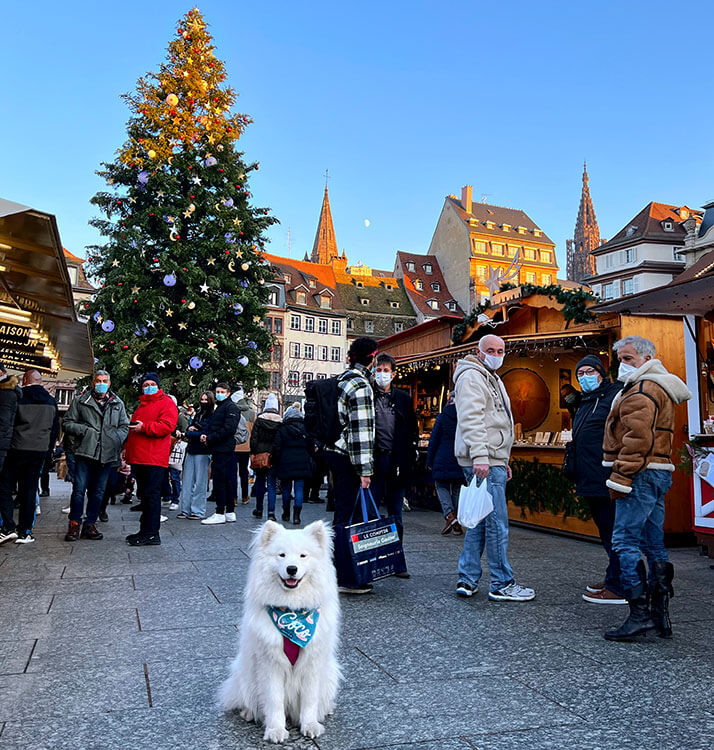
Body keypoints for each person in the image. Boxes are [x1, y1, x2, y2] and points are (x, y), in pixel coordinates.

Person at [602, 336, 691, 641]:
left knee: (624, 542)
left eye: (628, 358)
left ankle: (639, 614)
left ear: (647, 357)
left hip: (638, 473)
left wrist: (621, 477)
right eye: (621, 358)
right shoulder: (661, 386)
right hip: (657, 471)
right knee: (654, 544)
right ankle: (660, 616)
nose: (622, 364)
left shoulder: (641, 389)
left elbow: (637, 439)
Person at [453, 335, 534, 602]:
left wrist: (502, 460)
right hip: (484, 459)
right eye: (491, 350)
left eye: (500, 350)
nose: (497, 354)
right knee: (497, 524)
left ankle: (467, 578)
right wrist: (482, 457)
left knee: (478, 521)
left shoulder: (490, 376)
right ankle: (502, 582)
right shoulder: (473, 377)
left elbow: (496, 420)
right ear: (478, 351)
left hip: (491, 458)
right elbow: (472, 419)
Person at [565, 355, 625, 605]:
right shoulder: (585, 401)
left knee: (614, 531)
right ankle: (614, 575)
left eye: (590, 371)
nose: (585, 377)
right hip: (589, 475)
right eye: (580, 373)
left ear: (601, 373)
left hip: (605, 474)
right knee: (605, 530)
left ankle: (621, 583)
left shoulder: (613, 395)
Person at [327, 337, 378, 595]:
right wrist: (365, 470)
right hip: (350, 458)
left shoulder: (342, 379)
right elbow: (361, 432)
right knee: (351, 519)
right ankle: (349, 576)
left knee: (341, 515)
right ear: (372, 357)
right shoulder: (360, 385)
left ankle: (338, 571)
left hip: (335, 453)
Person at [61, 370, 130, 542]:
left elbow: (124, 426)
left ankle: (90, 524)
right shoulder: (81, 400)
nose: (101, 383)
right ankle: (74, 523)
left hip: (106, 454)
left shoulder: (117, 403)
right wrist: (85, 431)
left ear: (109, 383)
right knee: (78, 490)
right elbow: (68, 422)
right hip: (84, 452)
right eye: (98, 380)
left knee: (98, 492)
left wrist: (115, 438)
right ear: (93, 383)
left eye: (104, 380)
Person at [371, 353, 418, 576]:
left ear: (393, 373)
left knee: (395, 514)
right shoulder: (367, 396)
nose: (382, 374)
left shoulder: (403, 399)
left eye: (386, 370)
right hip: (374, 459)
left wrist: (408, 455)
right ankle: (371, 560)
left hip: (397, 460)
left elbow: (412, 430)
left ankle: (397, 559)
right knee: (371, 513)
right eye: (378, 370)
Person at [0, 369, 58, 545]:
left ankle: (8, 527)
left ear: (25, 379)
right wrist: (48, 452)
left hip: (16, 449)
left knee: (4, 486)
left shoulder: (18, 397)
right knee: (29, 491)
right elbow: (54, 430)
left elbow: (10, 422)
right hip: (38, 451)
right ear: (40, 381)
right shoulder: (51, 401)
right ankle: (25, 532)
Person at [125, 373, 178, 546]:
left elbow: (167, 426)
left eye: (152, 383)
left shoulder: (166, 402)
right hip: (140, 457)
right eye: (145, 384)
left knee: (152, 496)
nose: (148, 386)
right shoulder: (141, 405)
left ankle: (151, 533)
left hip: (153, 457)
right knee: (146, 497)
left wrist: (144, 427)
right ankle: (144, 530)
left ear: (158, 385)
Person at [201, 382, 241, 525]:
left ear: (228, 393)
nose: (219, 393)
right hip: (221, 447)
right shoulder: (224, 407)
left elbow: (228, 429)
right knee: (226, 479)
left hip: (223, 448)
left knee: (220, 480)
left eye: (222, 391)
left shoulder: (230, 407)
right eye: (217, 391)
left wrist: (210, 438)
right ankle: (229, 511)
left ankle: (220, 512)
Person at [426, 394, 465, 536]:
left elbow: (434, 440)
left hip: (442, 458)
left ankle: (450, 515)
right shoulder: (465, 415)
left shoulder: (442, 416)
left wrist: (429, 460)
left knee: (441, 486)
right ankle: (457, 522)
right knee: (457, 489)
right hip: (460, 459)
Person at [273, 404, 314, 525]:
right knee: (299, 488)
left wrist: (276, 461)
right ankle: (297, 516)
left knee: (286, 488)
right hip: (302, 460)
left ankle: (286, 512)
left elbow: (277, 447)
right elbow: (311, 446)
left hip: (286, 461)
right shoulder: (305, 428)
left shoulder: (282, 429)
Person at [178, 391, 215, 520]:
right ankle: (185, 509)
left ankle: (198, 510)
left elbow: (206, 432)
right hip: (192, 449)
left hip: (203, 451)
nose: (203, 401)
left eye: (206, 399)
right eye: (202, 399)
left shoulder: (212, 415)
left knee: (200, 481)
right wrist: (194, 431)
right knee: (187, 481)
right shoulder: (198, 414)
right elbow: (190, 429)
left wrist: (193, 432)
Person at [250, 393, 282, 520]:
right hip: (273, 456)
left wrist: (254, 452)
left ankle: (258, 509)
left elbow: (253, 439)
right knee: (272, 484)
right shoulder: (280, 422)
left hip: (260, 455)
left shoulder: (259, 420)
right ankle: (271, 512)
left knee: (260, 482)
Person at [233, 386, 256, 505]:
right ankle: (245, 496)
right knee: (243, 472)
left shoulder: (231, 411)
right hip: (246, 446)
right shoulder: (252, 413)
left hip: (233, 445)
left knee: (232, 472)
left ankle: (234, 498)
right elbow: (254, 432)